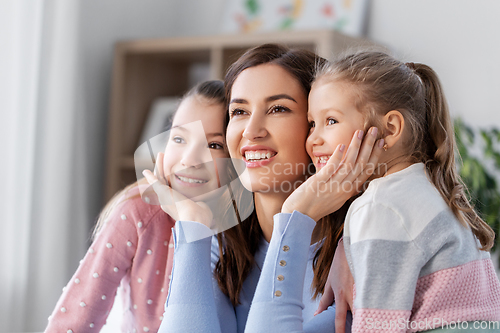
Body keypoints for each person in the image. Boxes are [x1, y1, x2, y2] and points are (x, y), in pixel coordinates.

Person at [144, 44, 383, 333]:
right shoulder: (223, 245)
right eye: (240, 111)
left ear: (315, 126)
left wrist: (296, 217)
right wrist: (193, 226)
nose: (251, 130)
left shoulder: (360, 254)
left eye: (278, 109)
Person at [300, 51, 500, 332]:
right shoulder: (427, 187)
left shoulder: (381, 206)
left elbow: (380, 323)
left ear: (390, 128)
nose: (313, 139)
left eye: (330, 121)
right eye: (312, 124)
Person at [45, 80, 229, 333]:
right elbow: (75, 319)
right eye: (179, 138)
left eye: (214, 145)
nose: (189, 160)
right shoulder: (139, 213)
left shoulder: (247, 223)